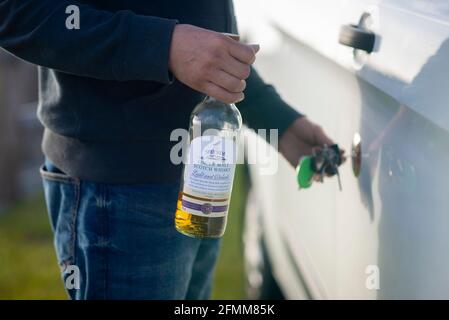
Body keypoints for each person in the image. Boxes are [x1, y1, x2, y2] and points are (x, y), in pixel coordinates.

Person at [0, 0, 338, 299]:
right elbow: (15, 10)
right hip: (118, 189)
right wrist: (163, 46)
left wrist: (275, 119)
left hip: (200, 184)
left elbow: (202, 20)